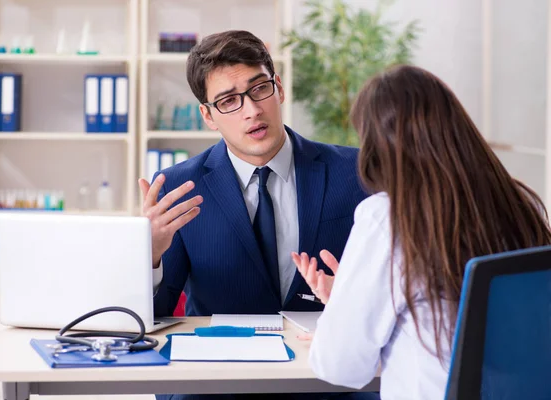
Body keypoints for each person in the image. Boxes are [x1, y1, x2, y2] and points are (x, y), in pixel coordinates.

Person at [138, 30, 377, 399]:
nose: (251, 110)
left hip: (327, 376)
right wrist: (149, 254)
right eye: (229, 101)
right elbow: (154, 316)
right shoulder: (177, 187)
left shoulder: (355, 171)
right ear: (208, 116)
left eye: (259, 89)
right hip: (220, 381)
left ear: (278, 89)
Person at [292, 64, 551, 400]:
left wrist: (341, 316)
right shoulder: (518, 202)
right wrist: (348, 300)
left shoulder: (388, 218)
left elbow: (339, 366)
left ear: (377, 147)